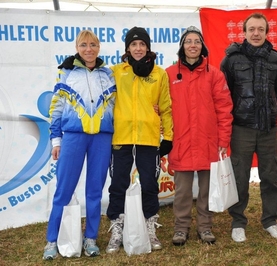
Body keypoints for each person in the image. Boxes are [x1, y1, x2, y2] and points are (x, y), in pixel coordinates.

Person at [43, 30, 116, 260]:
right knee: (63, 189)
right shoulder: (66, 72)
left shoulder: (108, 73)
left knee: (95, 190)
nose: (88, 49)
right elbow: (55, 107)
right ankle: (52, 240)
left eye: (93, 44)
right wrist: (56, 140)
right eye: (83, 45)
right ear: (77, 47)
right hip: (73, 136)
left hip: (102, 138)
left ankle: (91, 238)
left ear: (99, 47)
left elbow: (118, 106)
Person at [220, 13, 277, 242]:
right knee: (240, 176)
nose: (256, 33)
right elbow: (224, 93)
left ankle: (270, 220)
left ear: (267, 32)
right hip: (242, 129)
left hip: (268, 129)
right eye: (252, 29)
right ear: (244, 32)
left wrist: (267, 111)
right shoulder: (231, 60)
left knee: (270, 176)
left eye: (260, 29)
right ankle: (238, 222)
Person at [105, 26, 173, 253]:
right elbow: (91, 71)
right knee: (118, 184)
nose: (138, 48)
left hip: (148, 138)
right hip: (121, 136)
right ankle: (117, 226)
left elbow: (166, 107)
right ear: (127, 48)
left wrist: (168, 137)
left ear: (148, 47)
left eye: (142, 44)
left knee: (150, 183)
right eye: (133, 44)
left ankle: (149, 226)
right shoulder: (116, 71)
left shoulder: (159, 73)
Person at [165, 26, 233, 246]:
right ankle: (181, 228)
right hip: (181, 142)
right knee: (183, 191)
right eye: (188, 41)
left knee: (206, 190)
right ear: (182, 46)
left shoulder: (214, 74)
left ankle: (205, 227)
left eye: (196, 41)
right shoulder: (169, 74)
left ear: (202, 46)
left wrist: (223, 140)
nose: (192, 45)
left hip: (208, 142)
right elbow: (161, 107)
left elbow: (224, 108)